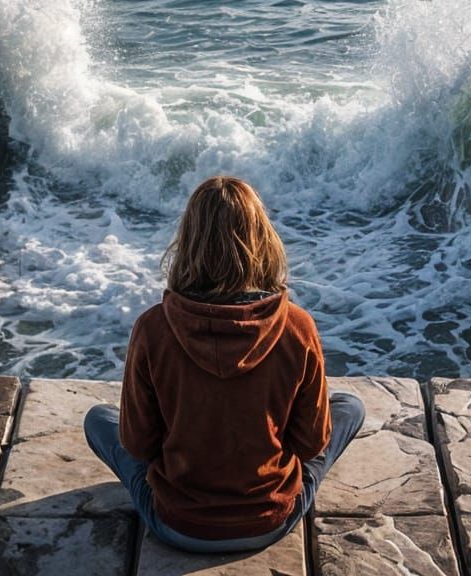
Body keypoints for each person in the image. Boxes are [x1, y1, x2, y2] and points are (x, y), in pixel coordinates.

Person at [83, 175, 365, 553]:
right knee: (350, 407)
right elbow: (310, 442)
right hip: (269, 521)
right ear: (261, 239)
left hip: (178, 523)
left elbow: (138, 443)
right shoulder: (297, 327)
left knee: (99, 419)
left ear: (189, 243)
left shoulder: (153, 328)